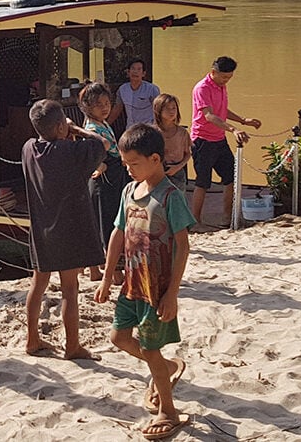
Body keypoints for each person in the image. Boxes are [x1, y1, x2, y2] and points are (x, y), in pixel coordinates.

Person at [95, 124, 195, 441]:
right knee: (119, 338)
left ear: (155, 159)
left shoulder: (170, 196)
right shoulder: (129, 191)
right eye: (125, 164)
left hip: (157, 289)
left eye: (133, 164)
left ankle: (169, 411)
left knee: (150, 348)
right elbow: (117, 234)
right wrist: (108, 276)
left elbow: (183, 246)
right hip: (132, 284)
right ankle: (165, 369)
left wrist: (173, 294)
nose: (128, 170)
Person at [21, 98, 107, 360]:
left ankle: (32, 339)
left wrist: (62, 130)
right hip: (68, 227)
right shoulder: (70, 152)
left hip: (41, 228)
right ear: (61, 127)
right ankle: (72, 346)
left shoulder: (28, 148)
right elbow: (101, 144)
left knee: (38, 284)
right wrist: (77, 129)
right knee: (70, 289)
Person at [190, 56, 262, 226]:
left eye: (229, 77)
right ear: (213, 72)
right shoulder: (202, 88)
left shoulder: (221, 86)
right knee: (203, 182)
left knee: (231, 177)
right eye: (224, 77)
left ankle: (227, 217)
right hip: (203, 140)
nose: (226, 80)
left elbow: (222, 111)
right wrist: (233, 129)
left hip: (219, 139)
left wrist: (243, 121)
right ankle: (195, 221)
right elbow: (209, 115)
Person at [78, 83, 126, 280]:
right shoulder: (90, 128)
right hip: (103, 180)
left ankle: (94, 270)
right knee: (107, 223)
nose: (105, 107)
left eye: (107, 103)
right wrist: (99, 165)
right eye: (99, 104)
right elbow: (90, 150)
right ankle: (114, 271)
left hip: (113, 176)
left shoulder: (103, 123)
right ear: (88, 106)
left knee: (101, 222)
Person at [153, 93, 191, 190]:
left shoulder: (182, 132)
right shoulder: (153, 133)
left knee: (178, 201)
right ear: (159, 110)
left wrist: (178, 167)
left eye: (174, 108)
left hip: (177, 172)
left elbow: (188, 154)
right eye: (167, 108)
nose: (172, 111)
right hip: (157, 172)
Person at [118, 59, 161, 128]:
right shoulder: (122, 89)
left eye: (139, 69)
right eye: (133, 69)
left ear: (143, 73)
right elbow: (117, 108)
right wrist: (107, 124)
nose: (135, 72)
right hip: (130, 128)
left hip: (149, 128)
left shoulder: (152, 89)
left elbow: (158, 109)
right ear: (128, 72)